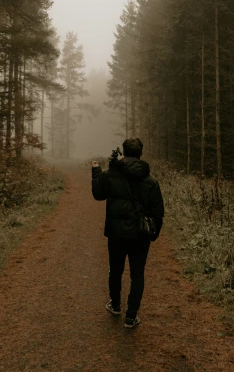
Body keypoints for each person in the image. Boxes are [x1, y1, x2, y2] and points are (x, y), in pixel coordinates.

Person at [91, 137, 164, 329]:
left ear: (123, 152)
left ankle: (115, 305)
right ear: (141, 154)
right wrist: (154, 234)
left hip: (116, 234)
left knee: (115, 270)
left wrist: (96, 171)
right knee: (137, 274)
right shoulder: (151, 180)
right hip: (140, 235)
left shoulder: (111, 174)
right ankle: (131, 317)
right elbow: (158, 211)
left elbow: (98, 194)